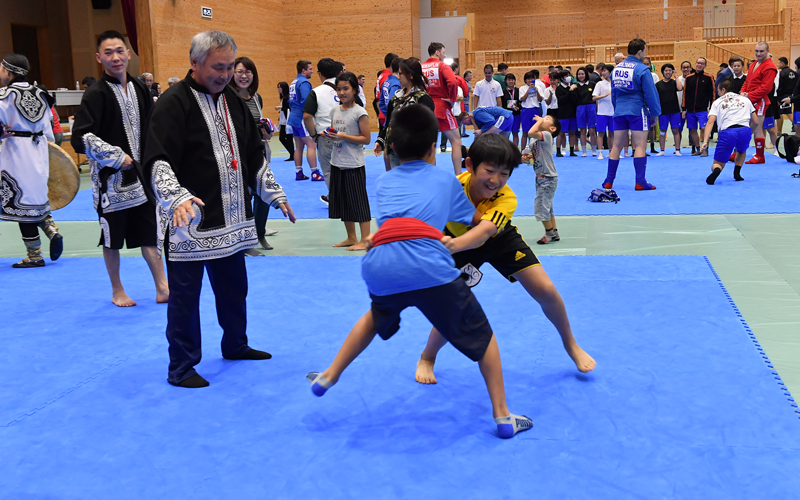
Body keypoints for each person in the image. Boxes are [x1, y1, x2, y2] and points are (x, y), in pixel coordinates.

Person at [307, 106, 534, 439]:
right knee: (485, 339)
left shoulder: (384, 181)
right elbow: (473, 221)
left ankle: (329, 375)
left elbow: (396, 222)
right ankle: (502, 416)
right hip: (429, 265)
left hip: (380, 264)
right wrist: (492, 220)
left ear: (393, 148)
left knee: (374, 316)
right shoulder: (446, 179)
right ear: (433, 147)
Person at [142, 30, 296, 388]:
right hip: (189, 220)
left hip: (231, 218)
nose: (226, 75)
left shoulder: (234, 101)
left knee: (233, 288)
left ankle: (236, 344)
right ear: (194, 63)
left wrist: (273, 191)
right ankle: (181, 366)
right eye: (218, 67)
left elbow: (253, 154)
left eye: (229, 67)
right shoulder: (172, 103)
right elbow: (157, 159)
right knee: (185, 299)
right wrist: (176, 198)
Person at [415, 132, 596, 386]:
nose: (496, 180)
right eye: (489, 170)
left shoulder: (506, 198)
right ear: (469, 165)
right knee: (452, 308)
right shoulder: (450, 188)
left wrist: (451, 247)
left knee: (546, 289)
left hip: (496, 238)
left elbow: (484, 232)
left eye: (504, 174)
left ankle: (571, 344)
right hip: (455, 242)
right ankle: (428, 357)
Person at [71, 31, 168, 306]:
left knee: (150, 232)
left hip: (141, 175)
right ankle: (117, 290)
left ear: (128, 53)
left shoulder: (139, 88)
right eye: (109, 52)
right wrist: (115, 156)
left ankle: (162, 286)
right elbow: (80, 136)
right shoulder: (95, 93)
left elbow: (153, 126)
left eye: (120, 51)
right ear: (99, 58)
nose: (115, 57)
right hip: (110, 181)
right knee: (112, 238)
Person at [0, 53, 63, 268]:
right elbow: (49, 128)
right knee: (36, 197)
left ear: (8, 72)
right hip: (39, 149)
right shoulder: (42, 93)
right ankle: (52, 230)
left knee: (20, 203)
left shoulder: (4, 95)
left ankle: (34, 255)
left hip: (16, 152)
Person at [229, 56, 275, 253]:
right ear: (232, 74)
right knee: (244, 197)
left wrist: (267, 132)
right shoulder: (228, 97)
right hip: (238, 154)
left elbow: (260, 123)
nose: (244, 76)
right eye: (239, 72)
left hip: (259, 151)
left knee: (263, 194)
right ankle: (245, 241)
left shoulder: (256, 97)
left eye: (248, 72)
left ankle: (260, 233)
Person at [603, 38, 661, 191]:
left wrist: (617, 109)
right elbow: (650, 94)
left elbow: (614, 93)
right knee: (640, 145)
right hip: (636, 109)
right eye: (645, 51)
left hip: (620, 110)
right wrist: (655, 113)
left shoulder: (616, 69)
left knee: (616, 146)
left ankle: (608, 181)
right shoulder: (642, 69)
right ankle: (640, 181)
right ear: (640, 51)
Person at [326, 72, 371, 251]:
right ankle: (351, 236)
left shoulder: (360, 112)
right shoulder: (334, 111)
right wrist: (329, 135)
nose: (342, 92)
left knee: (358, 202)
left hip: (354, 163)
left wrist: (344, 136)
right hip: (337, 161)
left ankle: (365, 239)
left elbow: (366, 139)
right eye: (339, 89)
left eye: (346, 88)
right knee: (344, 201)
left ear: (355, 90)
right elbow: (335, 133)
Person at [374, 57, 435, 170]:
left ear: (410, 75)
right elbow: (389, 122)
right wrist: (380, 140)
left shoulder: (423, 99)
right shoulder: (396, 97)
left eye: (401, 73)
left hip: (414, 154)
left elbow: (429, 129)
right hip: (395, 149)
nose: (398, 76)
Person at [303, 58, 343, 205]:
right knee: (347, 167)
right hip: (346, 135)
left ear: (320, 74)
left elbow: (307, 116)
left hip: (326, 134)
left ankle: (335, 199)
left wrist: (314, 134)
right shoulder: (346, 88)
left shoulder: (316, 92)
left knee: (329, 170)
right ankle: (348, 196)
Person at [700, 79, 755, 185]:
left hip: (728, 132)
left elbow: (710, 122)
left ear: (723, 90)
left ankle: (717, 170)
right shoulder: (745, 99)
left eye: (718, 90)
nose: (718, 93)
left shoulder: (717, 102)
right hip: (745, 129)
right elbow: (755, 121)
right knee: (741, 150)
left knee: (717, 163)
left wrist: (705, 140)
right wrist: (749, 132)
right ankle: (737, 173)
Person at [422, 42, 462, 175]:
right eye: (444, 52)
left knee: (430, 143)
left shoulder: (421, 67)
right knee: (456, 141)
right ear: (437, 52)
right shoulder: (442, 65)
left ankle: (432, 175)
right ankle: (458, 175)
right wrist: (452, 99)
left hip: (425, 108)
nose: (445, 55)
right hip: (441, 107)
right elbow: (452, 82)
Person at [740, 42, 778, 164]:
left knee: (757, 128)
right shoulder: (754, 64)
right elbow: (748, 81)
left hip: (760, 101)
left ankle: (760, 155)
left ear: (768, 51)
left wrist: (749, 96)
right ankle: (740, 151)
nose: (758, 53)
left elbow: (766, 88)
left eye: (761, 51)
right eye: (757, 51)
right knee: (746, 127)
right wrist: (742, 92)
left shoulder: (770, 67)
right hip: (750, 100)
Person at [527, 115, 562, 243]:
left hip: (548, 178)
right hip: (540, 177)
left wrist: (540, 121)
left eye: (546, 119)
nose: (542, 119)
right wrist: (525, 158)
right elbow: (528, 153)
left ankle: (549, 234)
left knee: (541, 206)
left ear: (552, 129)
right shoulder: (534, 139)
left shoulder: (546, 135)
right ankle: (555, 231)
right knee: (548, 206)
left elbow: (531, 132)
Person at [289, 60, 323, 180]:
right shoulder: (304, 82)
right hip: (301, 118)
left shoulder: (294, 82)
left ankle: (299, 172)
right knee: (312, 144)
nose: (312, 71)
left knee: (299, 146)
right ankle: (315, 173)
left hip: (293, 116)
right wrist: (311, 114)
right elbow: (306, 100)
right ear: (303, 70)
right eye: (310, 69)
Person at [682, 57, 715, 157]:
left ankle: (705, 149)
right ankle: (697, 148)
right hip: (691, 110)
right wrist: (684, 109)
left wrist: (712, 108)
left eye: (702, 63)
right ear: (695, 64)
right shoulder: (689, 78)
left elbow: (712, 93)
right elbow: (685, 94)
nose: (699, 65)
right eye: (698, 63)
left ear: (705, 65)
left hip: (703, 109)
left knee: (705, 128)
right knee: (692, 130)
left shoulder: (709, 77)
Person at [655, 63, 684, 156]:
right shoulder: (658, 84)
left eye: (670, 70)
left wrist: (676, 76)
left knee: (675, 130)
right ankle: (662, 150)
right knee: (663, 131)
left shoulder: (674, 82)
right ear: (663, 72)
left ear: (672, 72)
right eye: (666, 70)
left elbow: (680, 88)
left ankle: (677, 150)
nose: (668, 72)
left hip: (674, 111)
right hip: (663, 111)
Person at [441, 62, 469, 150]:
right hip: (446, 111)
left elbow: (460, 98)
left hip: (456, 111)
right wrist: (453, 98)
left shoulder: (458, 88)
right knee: (444, 129)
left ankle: (458, 145)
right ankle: (443, 145)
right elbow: (442, 98)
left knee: (458, 128)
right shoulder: (443, 88)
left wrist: (450, 98)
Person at [519, 70, 546, 150]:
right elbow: (522, 99)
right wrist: (529, 90)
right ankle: (522, 151)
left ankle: (535, 150)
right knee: (525, 132)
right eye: (528, 79)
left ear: (534, 79)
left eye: (531, 79)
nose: (530, 80)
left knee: (535, 132)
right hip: (526, 111)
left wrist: (537, 92)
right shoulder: (522, 88)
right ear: (525, 80)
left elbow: (541, 100)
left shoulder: (538, 88)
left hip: (535, 110)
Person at [593, 64, 614, 161]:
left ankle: (611, 152)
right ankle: (600, 152)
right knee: (601, 133)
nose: (603, 73)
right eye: (602, 71)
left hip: (613, 112)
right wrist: (605, 95)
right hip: (602, 112)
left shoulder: (615, 83)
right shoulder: (599, 84)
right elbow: (594, 97)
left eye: (605, 71)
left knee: (612, 134)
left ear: (610, 72)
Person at [574, 67, 597, 157]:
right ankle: (584, 151)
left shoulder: (592, 84)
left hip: (591, 106)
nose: (581, 76)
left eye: (582, 74)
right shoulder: (576, 86)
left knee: (592, 130)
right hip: (580, 108)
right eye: (579, 74)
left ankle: (594, 150)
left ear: (586, 75)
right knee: (582, 130)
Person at [556, 70, 579, 156]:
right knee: (561, 133)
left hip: (572, 113)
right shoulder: (559, 89)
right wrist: (569, 91)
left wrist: (572, 91)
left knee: (572, 132)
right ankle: (558, 151)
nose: (568, 77)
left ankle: (572, 151)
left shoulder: (573, 87)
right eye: (566, 76)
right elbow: (561, 101)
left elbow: (575, 100)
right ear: (562, 78)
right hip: (563, 114)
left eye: (569, 75)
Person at [500, 73, 521, 147]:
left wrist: (519, 108)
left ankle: (515, 150)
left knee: (515, 133)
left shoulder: (519, 90)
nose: (511, 81)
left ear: (514, 81)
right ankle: (507, 150)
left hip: (516, 115)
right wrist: (508, 108)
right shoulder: (502, 92)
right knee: (506, 133)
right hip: (507, 115)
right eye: (509, 80)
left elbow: (521, 102)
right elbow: (502, 104)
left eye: (512, 79)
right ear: (506, 81)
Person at [776, 56, 796, 135]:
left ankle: (779, 131)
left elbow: (780, 85)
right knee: (788, 112)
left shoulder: (782, 73)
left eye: (778, 63)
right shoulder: (793, 73)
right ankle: (795, 125)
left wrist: (777, 95)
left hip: (782, 95)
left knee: (780, 113)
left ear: (782, 63)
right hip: (790, 95)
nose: (777, 64)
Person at [276, 81, 295, 161]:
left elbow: (290, 109)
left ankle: (293, 154)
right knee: (283, 138)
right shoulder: (282, 97)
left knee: (288, 138)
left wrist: (281, 108)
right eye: (278, 87)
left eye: (280, 87)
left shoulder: (288, 98)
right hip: (284, 121)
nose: (278, 89)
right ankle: (292, 154)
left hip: (288, 121)